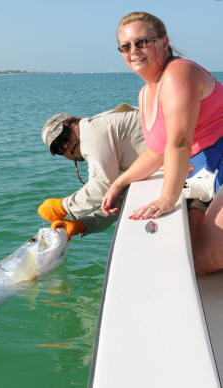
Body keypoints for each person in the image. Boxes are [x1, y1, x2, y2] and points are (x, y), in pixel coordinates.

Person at [101, 12, 223, 276]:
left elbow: (179, 142)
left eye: (142, 42)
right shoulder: (145, 93)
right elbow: (157, 151)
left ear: (164, 42)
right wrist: (120, 182)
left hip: (216, 166)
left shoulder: (179, 73)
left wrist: (168, 198)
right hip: (207, 173)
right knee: (183, 253)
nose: (133, 51)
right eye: (126, 46)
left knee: (204, 256)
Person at [38, 103, 146, 239]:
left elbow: (102, 187)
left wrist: (62, 206)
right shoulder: (103, 137)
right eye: (58, 148)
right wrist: (81, 225)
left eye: (64, 136)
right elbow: (114, 197)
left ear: (75, 122)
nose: (66, 145)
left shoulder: (91, 132)